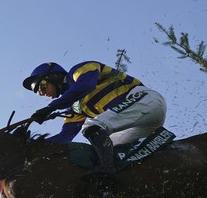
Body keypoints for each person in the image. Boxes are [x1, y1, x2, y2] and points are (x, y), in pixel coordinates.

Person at [23, 61, 167, 175]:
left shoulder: (80, 70)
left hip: (146, 100)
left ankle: (107, 172)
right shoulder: (74, 108)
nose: (43, 94)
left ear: (54, 76)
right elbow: (65, 136)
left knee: (91, 126)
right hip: (139, 125)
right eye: (38, 93)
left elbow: (85, 86)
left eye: (41, 86)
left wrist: (51, 107)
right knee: (105, 151)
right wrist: (33, 146)